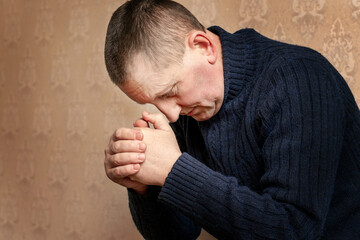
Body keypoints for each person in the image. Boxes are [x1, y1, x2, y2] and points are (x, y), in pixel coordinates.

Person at [103, 0, 360, 239]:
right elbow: (180, 235)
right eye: (154, 102)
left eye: (170, 91)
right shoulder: (189, 109)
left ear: (204, 46)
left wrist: (173, 170)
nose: (170, 113)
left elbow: (294, 229)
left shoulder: (299, 79)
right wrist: (145, 188)